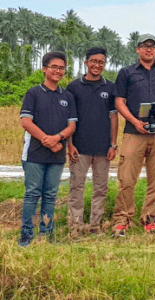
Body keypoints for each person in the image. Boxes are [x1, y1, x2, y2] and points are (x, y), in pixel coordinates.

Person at [112, 34, 155, 236]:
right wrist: (134, 121)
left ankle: (150, 220)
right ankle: (122, 220)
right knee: (127, 178)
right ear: (137, 49)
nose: (148, 49)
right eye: (144, 46)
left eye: (152, 46)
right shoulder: (126, 73)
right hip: (134, 132)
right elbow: (119, 102)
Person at [18, 51, 77, 247]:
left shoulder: (67, 96)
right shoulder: (33, 93)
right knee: (32, 193)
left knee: (51, 195)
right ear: (44, 69)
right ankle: (26, 235)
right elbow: (26, 121)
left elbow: (72, 126)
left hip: (57, 154)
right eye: (54, 67)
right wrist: (46, 140)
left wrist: (58, 139)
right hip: (34, 153)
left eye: (61, 68)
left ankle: (46, 234)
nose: (58, 71)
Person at [66, 47, 118, 237]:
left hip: (104, 149)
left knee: (101, 188)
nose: (97, 65)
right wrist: (69, 144)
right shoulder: (73, 87)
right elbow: (69, 118)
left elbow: (114, 118)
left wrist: (113, 145)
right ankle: (76, 227)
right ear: (86, 63)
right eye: (94, 61)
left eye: (101, 62)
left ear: (105, 65)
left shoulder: (110, 87)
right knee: (76, 187)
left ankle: (96, 225)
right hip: (79, 148)